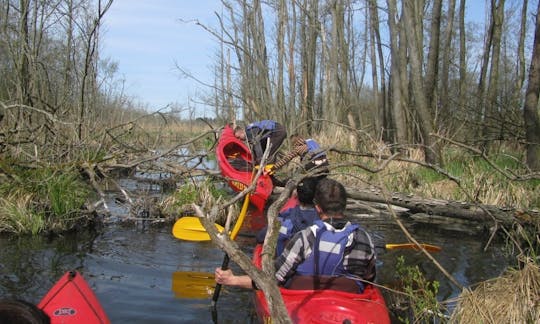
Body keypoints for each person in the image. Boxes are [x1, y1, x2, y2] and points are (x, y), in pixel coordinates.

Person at [215, 178, 377, 293]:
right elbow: (369, 278)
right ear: (344, 205)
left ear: (318, 208)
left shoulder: (305, 238)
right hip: (350, 307)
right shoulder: (363, 238)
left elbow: (272, 279)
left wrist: (232, 279)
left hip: (302, 302)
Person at [255, 177, 319, 255]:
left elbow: (259, 238)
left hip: (284, 263)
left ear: (296, 195)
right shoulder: (324, 221)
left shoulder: (284, 218)